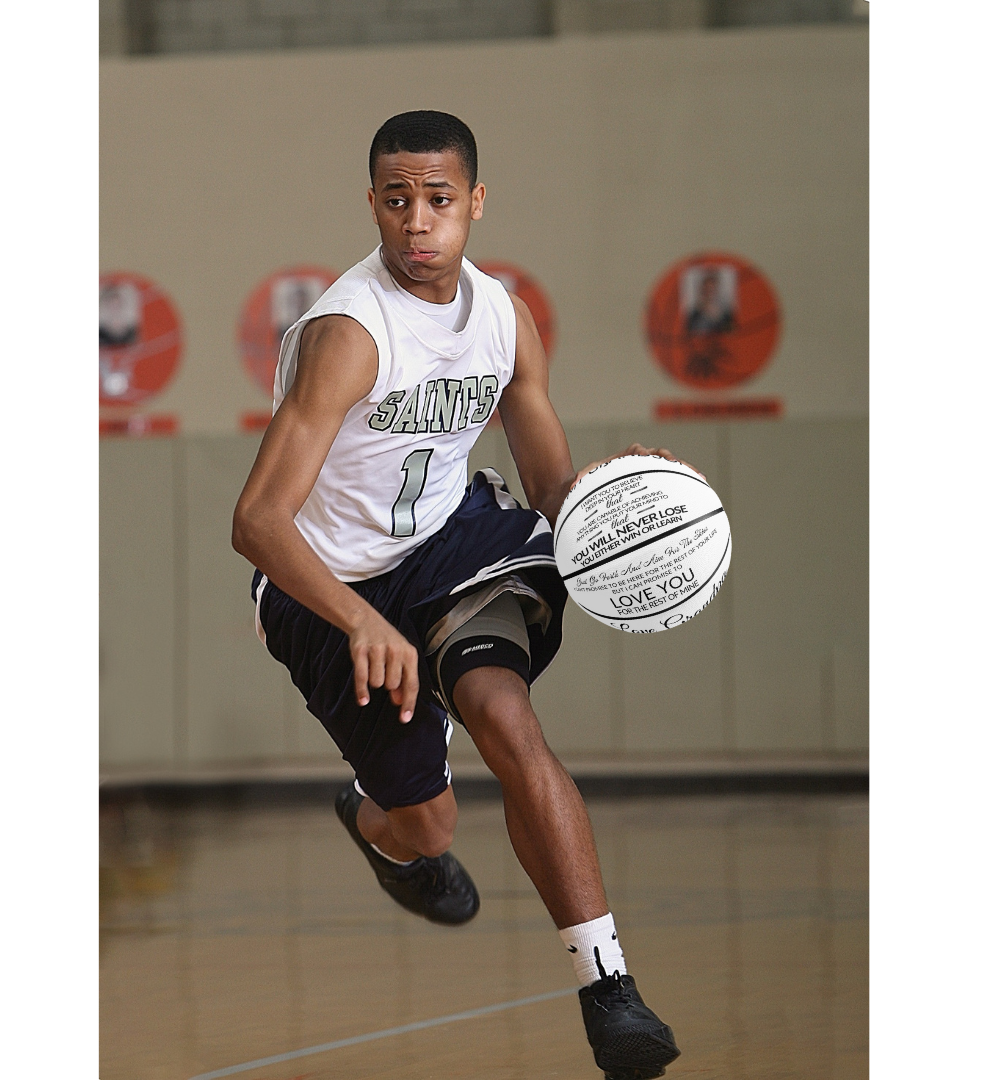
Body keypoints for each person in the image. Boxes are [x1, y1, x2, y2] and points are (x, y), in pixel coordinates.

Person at [233, 110, 687, 1080]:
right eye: (397, 201)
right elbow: (258, 521)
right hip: (326, 583)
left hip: (448, 541)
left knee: (505, 719)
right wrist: (360, 621)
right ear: (373, 206)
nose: (417, 222)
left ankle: (610, 988)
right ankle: (374, 821)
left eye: (438, 200)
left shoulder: (503, 320)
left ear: (475, 203)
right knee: (427, 821)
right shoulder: (350, 337)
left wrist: (618, 497)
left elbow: (555, 490)